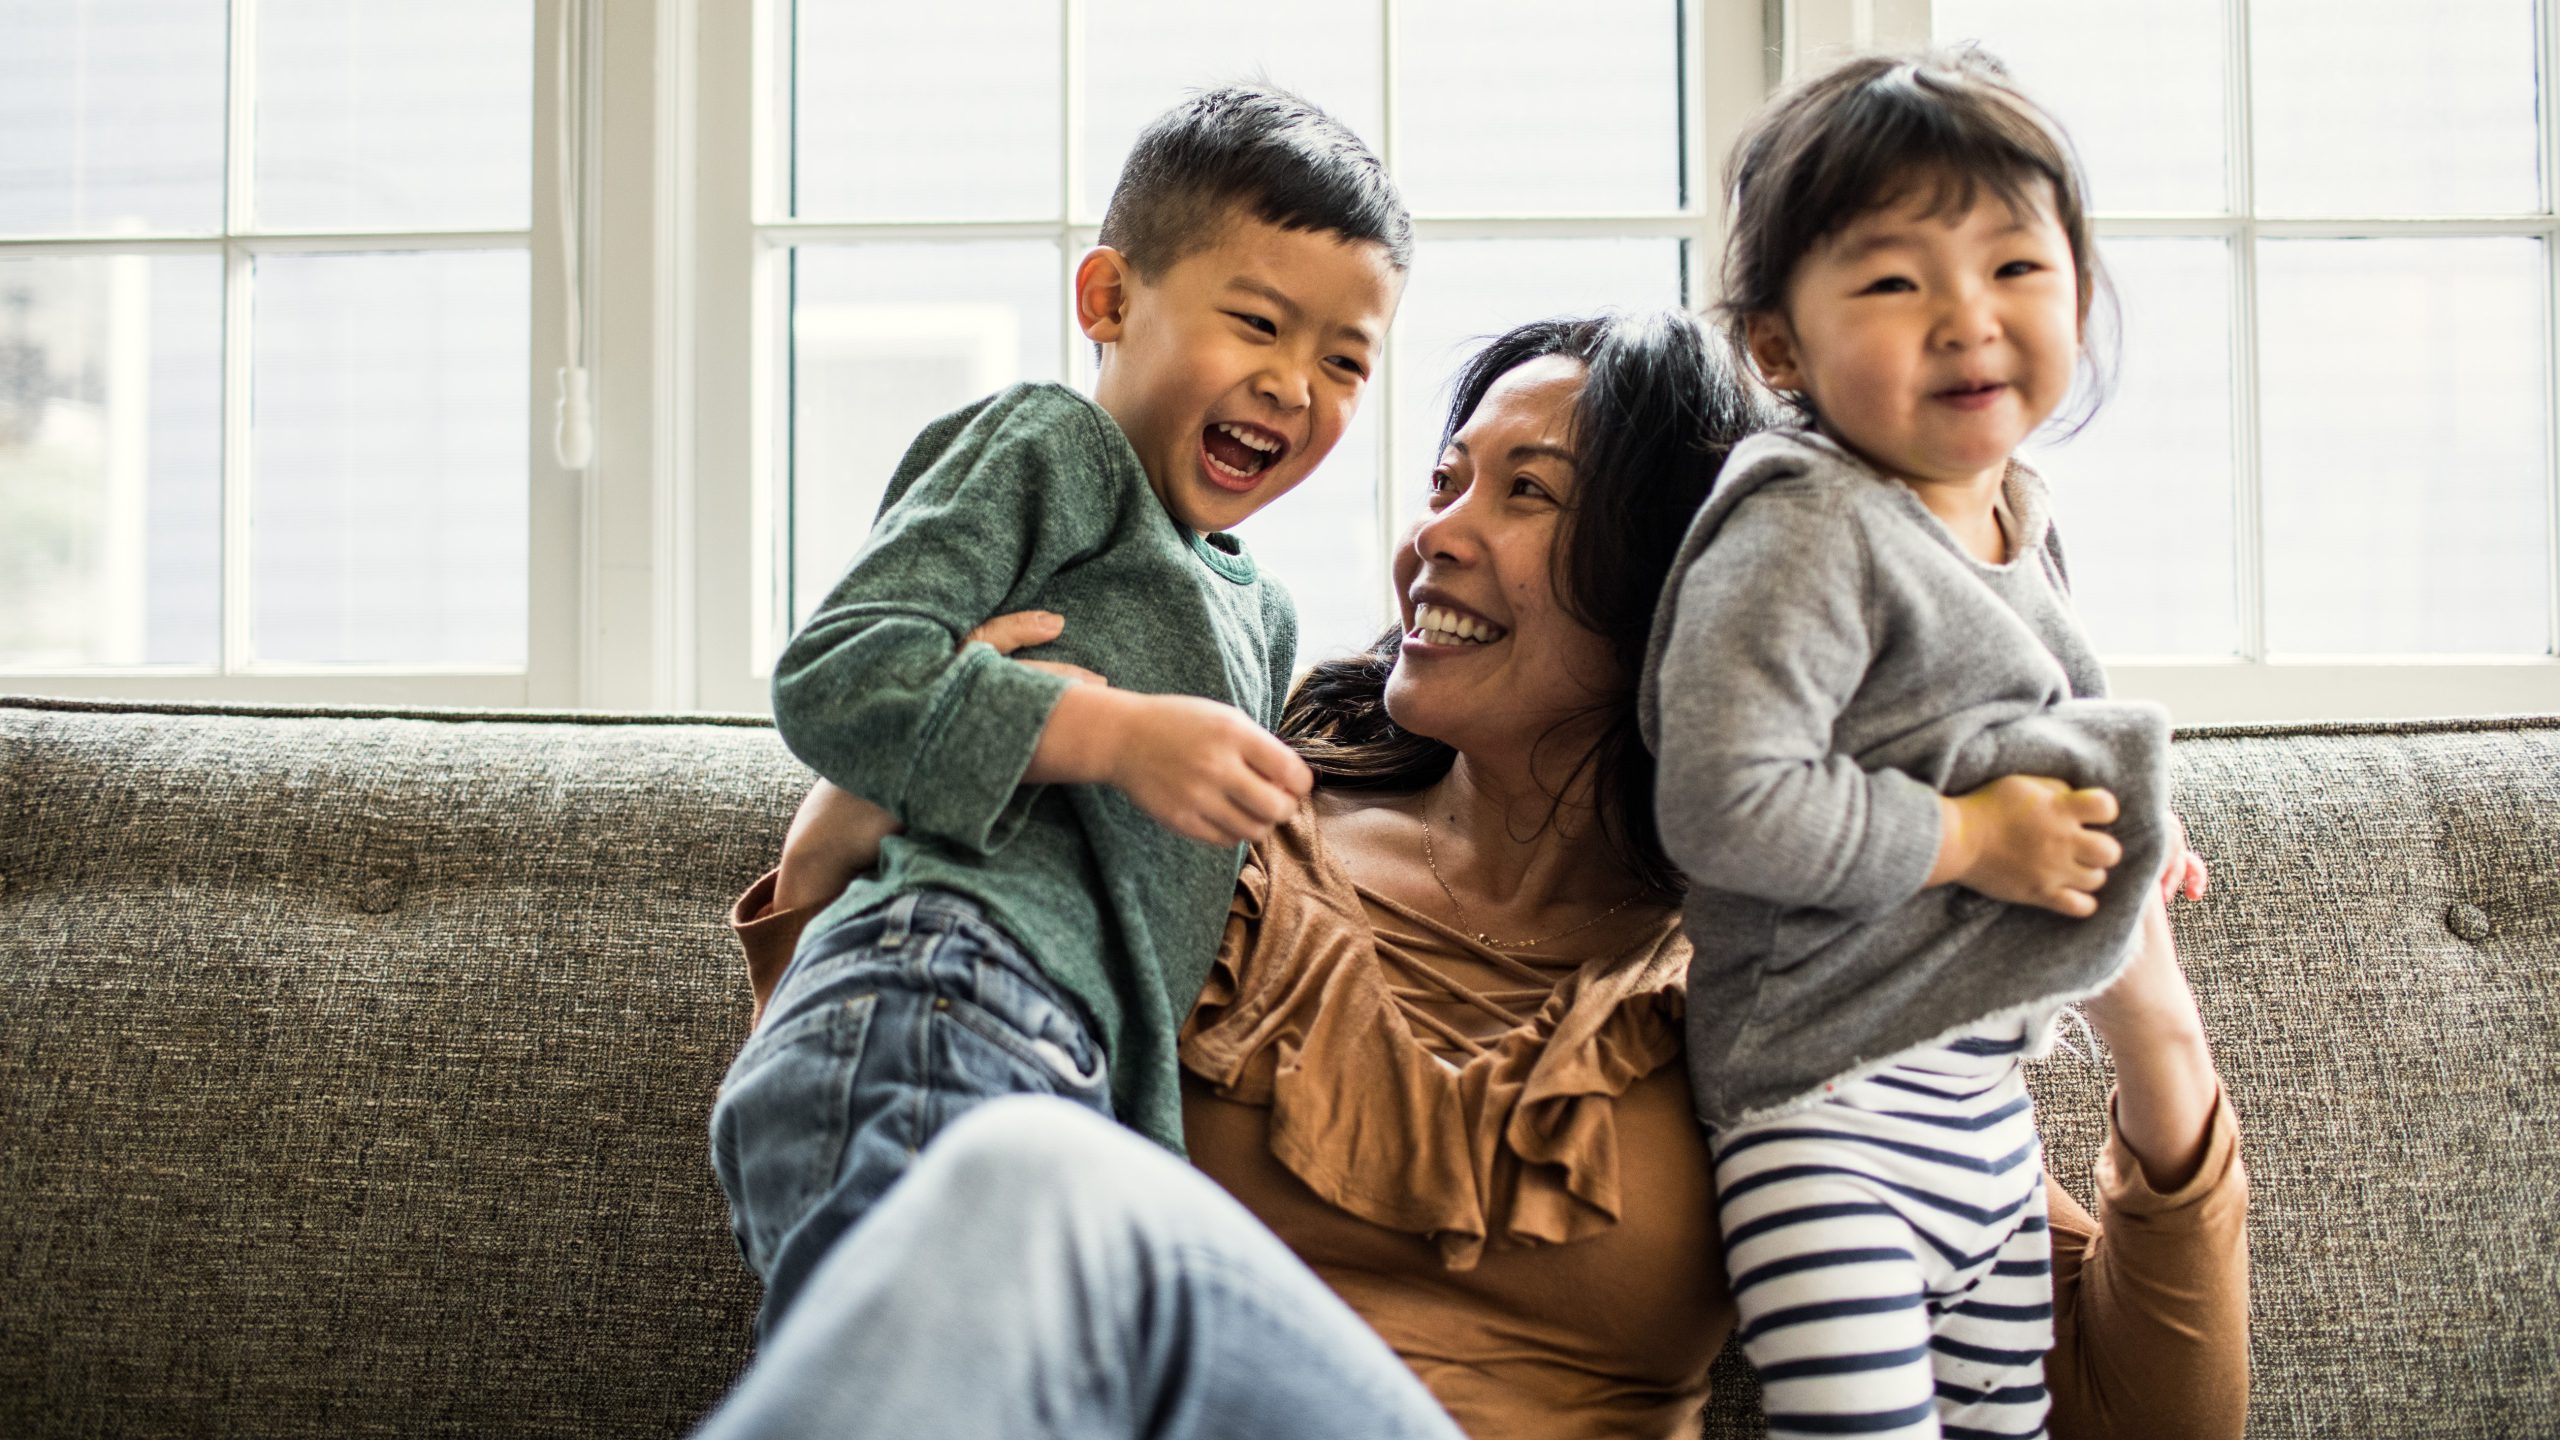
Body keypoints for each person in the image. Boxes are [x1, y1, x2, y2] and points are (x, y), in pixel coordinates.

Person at [708, 309, 2248, 1440]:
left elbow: (2125, 1413)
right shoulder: (1226, 813)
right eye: (1446, 480)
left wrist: (2151, 1026)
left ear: (1686, 594)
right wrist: (871, 800)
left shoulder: (1782, 971)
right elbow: (903, 1132)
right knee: (1017, 1180)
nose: (1434, 537)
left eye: (1527, 494)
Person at [717, 83, 1410, 1338]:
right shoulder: (1051, 449)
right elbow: (840, 673)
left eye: (1344, 359)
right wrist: (1111, 736)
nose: (1294, 383)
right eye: (1256, 321)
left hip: (1073, 1083)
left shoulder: (1264, 618)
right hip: (941, 1005)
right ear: (1107, 301)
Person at [1639, 51, 2212, 1439]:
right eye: (1896, 283)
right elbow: (1724, 802)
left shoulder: (2014, 510)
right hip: (1827, 1110)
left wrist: (2134, 829)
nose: (1969, 320)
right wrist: (1975, 839)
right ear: (1779, 347)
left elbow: (2024, 719)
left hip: (1986, 1124)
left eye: (2017, 267)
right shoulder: (1804, 524)